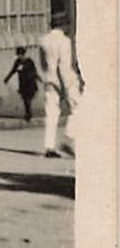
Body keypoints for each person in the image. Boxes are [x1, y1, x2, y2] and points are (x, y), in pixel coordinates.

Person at [37, 22, 83, 158]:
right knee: (78, 109)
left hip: (49, 80)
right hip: (66, 81)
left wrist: (47, 77)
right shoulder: (64, 41)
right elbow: (63, 66)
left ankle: (49, 146)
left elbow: (43, 64)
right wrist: (64, 87)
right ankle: (69, 136)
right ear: (64, 25)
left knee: (51, 113)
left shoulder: (43, 40)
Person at [3, 46, 40, 122]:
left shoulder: (29, 61)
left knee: (27, 99)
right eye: (18, 55)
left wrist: (39, 80)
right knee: (25, 99)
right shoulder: (18, 61)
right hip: (22, 83)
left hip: (30, 83)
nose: (19, 56)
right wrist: (7, 78)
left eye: (20, 55)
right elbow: (13, 70)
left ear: (23, 54)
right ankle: (28, 113)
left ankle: (28, 114)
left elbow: (34, 72)